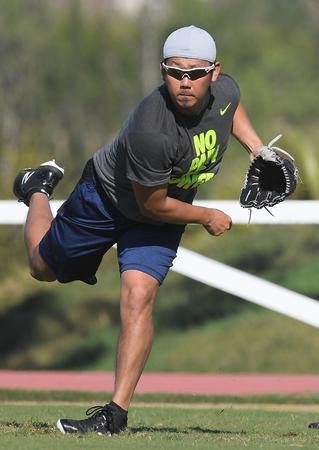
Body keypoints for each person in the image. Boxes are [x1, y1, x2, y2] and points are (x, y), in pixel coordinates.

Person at [13, 25, 265, 435]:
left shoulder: (226, 91)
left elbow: (231, 109)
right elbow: (152, 204)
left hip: (165, 208)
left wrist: (259, 149)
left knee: (138, 295)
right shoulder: (152, 128)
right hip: (110, 199)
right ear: (162, 70)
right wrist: (206, 216)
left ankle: (115, 414)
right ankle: (37, 188)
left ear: (215, 73)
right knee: (41, 265)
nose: (185, 82)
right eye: (175, 71)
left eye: (196, 73)